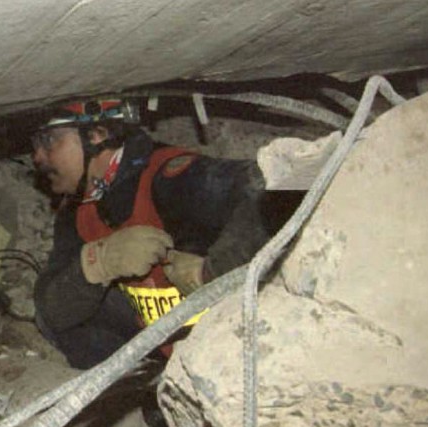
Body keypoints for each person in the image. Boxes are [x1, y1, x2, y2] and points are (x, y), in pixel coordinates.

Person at [31, 99, 272, 369]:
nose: (37, 156)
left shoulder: (170, 178)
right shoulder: (77, 210)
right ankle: (146, 379)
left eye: (49, 140)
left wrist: (211, 273)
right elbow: (50, 307)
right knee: (60, 313)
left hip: (236, 335)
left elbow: (270, 185)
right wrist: (96, 265)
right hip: (163, 339)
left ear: (96, 135)